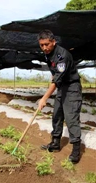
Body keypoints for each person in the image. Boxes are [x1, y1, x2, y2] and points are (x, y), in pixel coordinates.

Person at [37, 29, 83, 163]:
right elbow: (54, 74)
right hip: (62, 87)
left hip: (72, 88)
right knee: (57, 115)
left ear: (53, 42)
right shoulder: (47, 55)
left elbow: (57, 78)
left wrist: (44, 98)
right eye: (42, 45)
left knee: (71, 118)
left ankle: (76, 152)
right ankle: (55, 144)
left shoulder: (62, 56)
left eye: (47, 44)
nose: (44, 47)